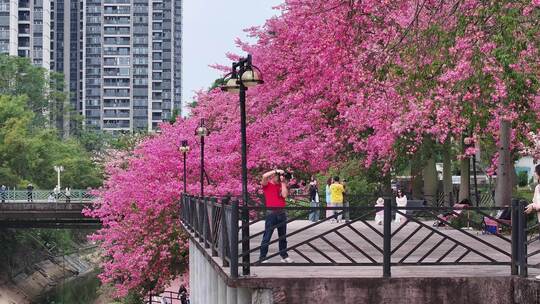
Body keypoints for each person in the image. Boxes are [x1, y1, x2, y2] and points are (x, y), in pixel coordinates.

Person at [259, 169, 293, 263]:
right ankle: (262, 257)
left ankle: (284, 256)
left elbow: (285, 195)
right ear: (273, 176)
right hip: (271, 213)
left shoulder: (281, 185)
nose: (280, 177)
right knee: (267, 236)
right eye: (278, 176)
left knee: (283, 236)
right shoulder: (267, 185)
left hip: (281, 213)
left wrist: (283, 183)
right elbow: (264, 176)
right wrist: (276, 171)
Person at [526, 164, 540, 279]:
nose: (534, 174)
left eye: (535, 172)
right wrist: (530, 206)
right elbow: (535, 202)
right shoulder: (537, 187)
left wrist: (534, 207)